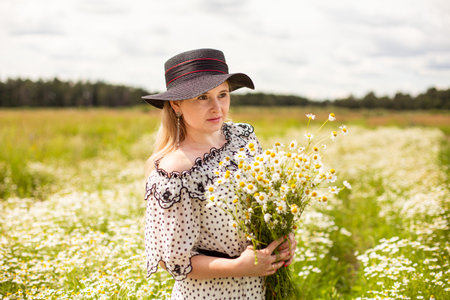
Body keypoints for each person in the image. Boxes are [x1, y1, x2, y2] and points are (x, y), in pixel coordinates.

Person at [142, 48, 297, 299]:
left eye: (222, 94)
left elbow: (267, 202)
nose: (217, 107)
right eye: (202, 97)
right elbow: (173, 260)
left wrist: (282, 237)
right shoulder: (176, 171)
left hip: (261, 288)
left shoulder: (243, 137)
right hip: (209, 293)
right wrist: (239, 267)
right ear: (176, 105)